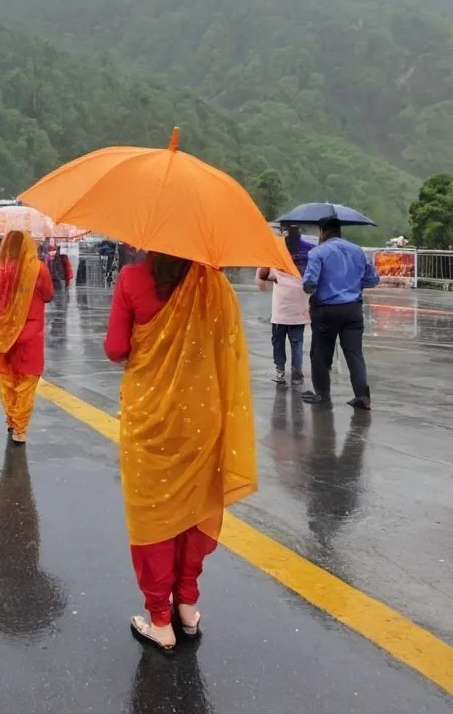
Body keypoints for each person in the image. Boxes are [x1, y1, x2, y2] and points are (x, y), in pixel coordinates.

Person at [105, 252, 257, 653]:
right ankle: (187, 606)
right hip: (200, 419)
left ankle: (159, 618)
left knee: (152, 513)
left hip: (149, 418)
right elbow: (231, 352)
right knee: (194, 507)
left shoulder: (131, 279)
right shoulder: (216, 286)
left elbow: (116, 348)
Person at [302, 218, 380, 410]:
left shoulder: (317, 253)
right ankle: (362, 397)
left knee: (320, 354)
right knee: (354, 354)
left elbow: (309, 285)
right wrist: (352, 284)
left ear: (323, 232)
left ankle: (322, 395)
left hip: (326, 311)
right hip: (353, 310)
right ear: (339, 231)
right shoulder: (358, 251)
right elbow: (372, 280)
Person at [0, 230, 54, 444]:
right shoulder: (38, 269)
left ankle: (11, 419)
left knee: (7, 378)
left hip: (5, 332)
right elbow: (49, 295)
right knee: (27, 381)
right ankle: (19, 428)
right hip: (31, 333)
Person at [256, 231, 310, 386]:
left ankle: (280, 373)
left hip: (280, 316)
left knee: (278, 343)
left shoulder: (277, 271)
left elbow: (262, 275)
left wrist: (268, 258)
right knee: (297, 343)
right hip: (299, 315)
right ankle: (297, 375)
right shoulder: (304, 272)